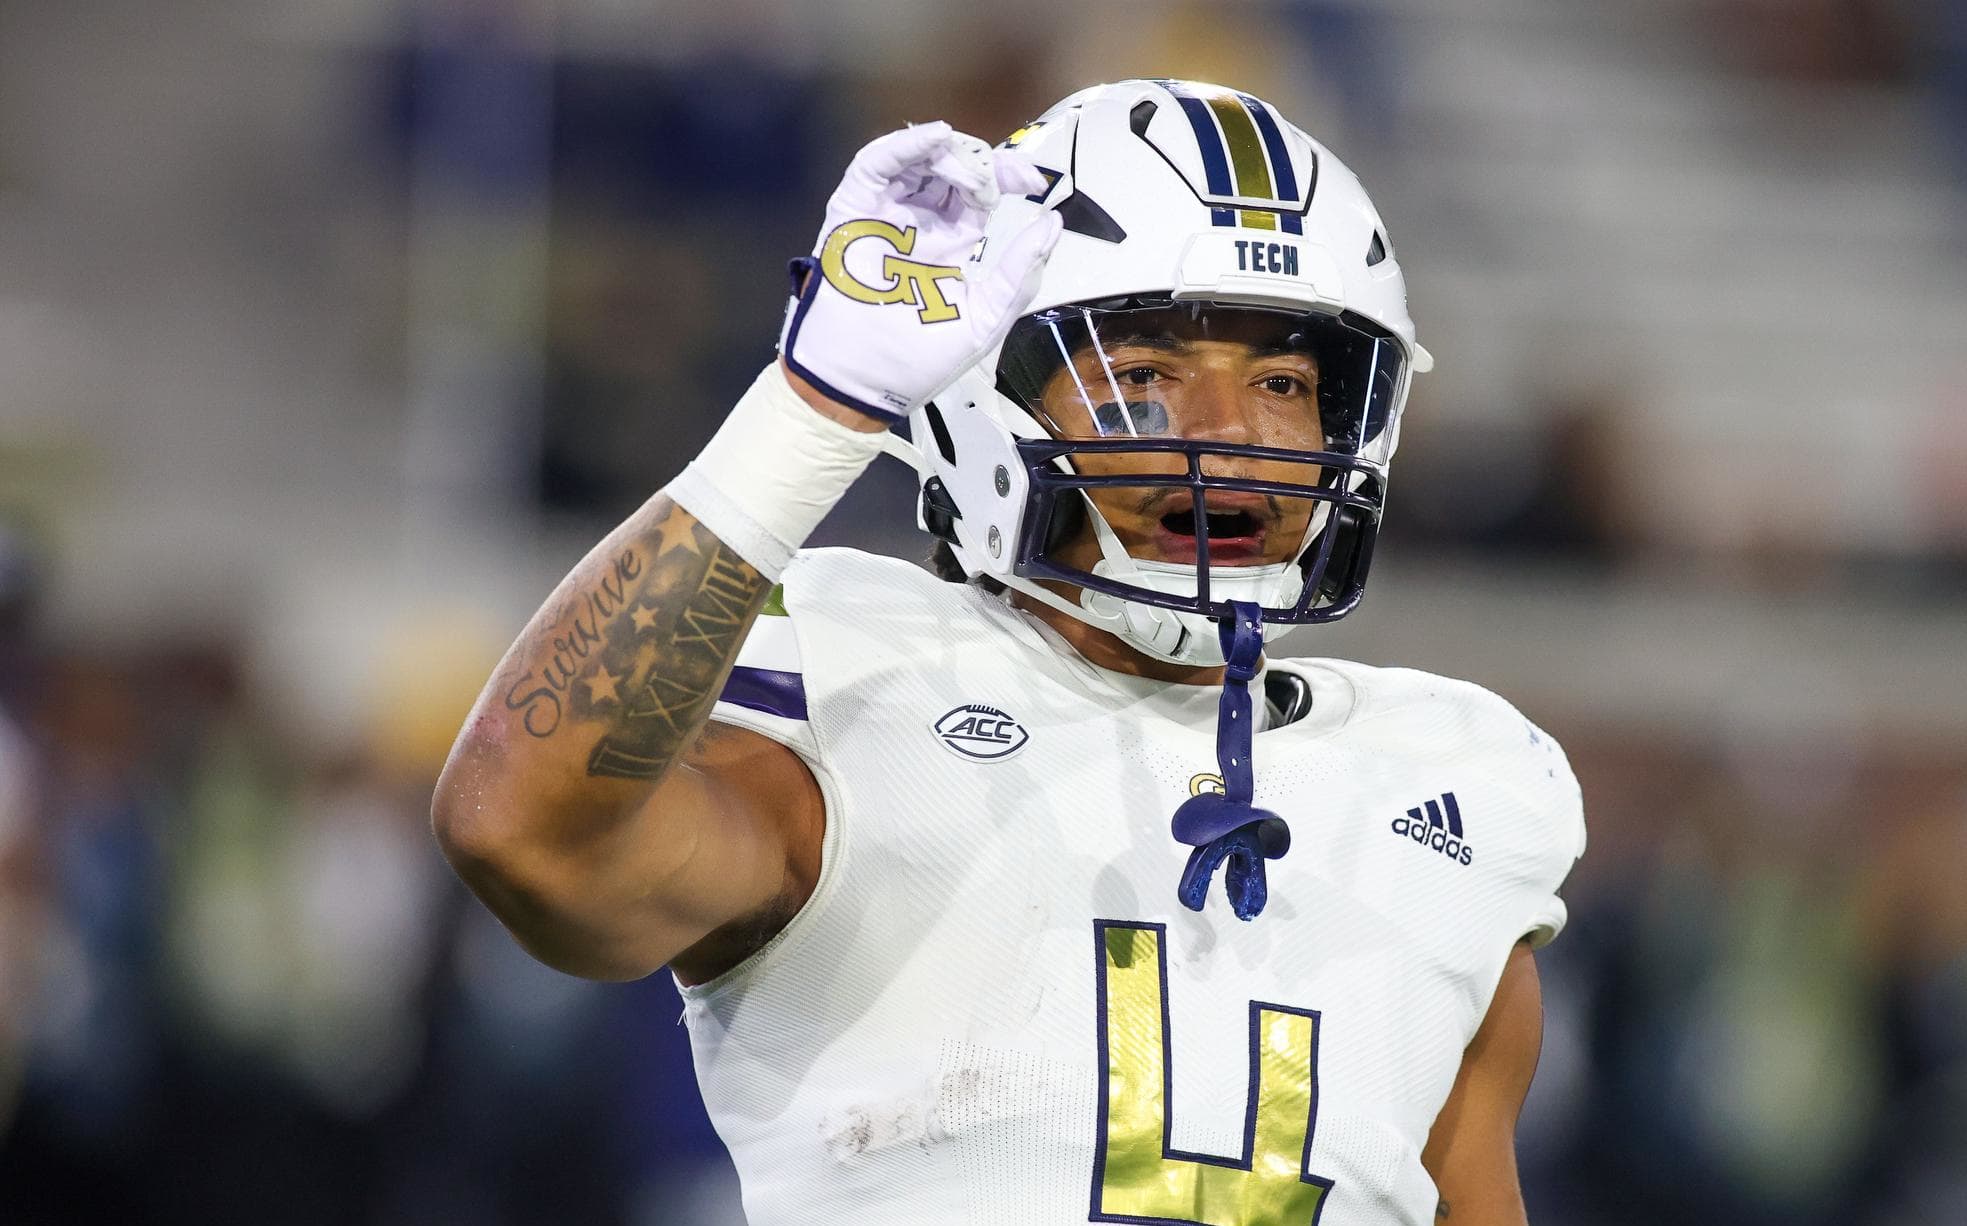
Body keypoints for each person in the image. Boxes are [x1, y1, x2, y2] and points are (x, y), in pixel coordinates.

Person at [433, 79, 1585, 1226]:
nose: (1230, 436)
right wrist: (806, 414)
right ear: (984, 401)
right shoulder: (856, 671)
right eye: (1142, 376)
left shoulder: (1461, 781)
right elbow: (523, 834)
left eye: (1283, 382)